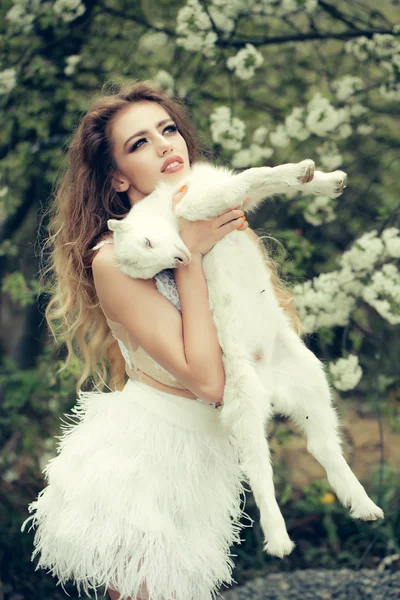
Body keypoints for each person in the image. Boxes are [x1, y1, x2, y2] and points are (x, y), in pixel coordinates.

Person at [21, 80, 304, 600]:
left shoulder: (210, 230)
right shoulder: (115, 260)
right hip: (144, 464)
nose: (165, 145)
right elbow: (210, 381)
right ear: (117, 180)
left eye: (168, 129)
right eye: (139, 143)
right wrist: (189, 256)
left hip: (201, 462)